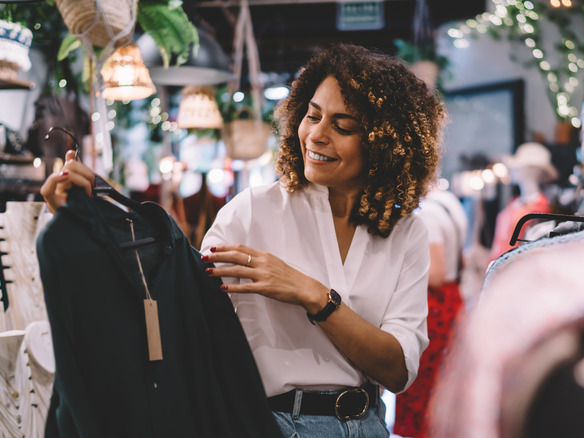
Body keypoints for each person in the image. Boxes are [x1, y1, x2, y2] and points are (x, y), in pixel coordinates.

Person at [40, 43, 447, 437]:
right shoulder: (254, 211)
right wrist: (100, 213)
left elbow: (396, 371)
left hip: (371, 427)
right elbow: (177, 297)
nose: (316, 135)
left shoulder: (406, 233)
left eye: (343, 127)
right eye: (313, 115)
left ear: (385, 145)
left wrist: (313, 295)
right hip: (271, 425)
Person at [394, 183, 468, 438]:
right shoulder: (449, 202)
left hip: (433, 305)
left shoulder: (425, 213)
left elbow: (435, 273)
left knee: (423, 387)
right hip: (452, 298)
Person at [489, 142, 558, 261]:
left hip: (513, 269)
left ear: (530, 170)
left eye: (517, 166)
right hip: (498, 268)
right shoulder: (515, 202)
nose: (513, 170)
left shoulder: (540, 207)